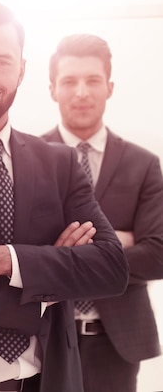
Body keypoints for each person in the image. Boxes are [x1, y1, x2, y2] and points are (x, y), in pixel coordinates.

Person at [0, 0, 130, 392]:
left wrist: (3, 259)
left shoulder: (60, 163)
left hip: (50, 381)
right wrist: (48, 288)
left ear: (21, 70)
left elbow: (111, 267)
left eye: (3, 61)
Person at [40, 33, 163, 392]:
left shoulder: (143, 165)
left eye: (93, 80)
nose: (81, 92)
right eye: (69, 81)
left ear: (109, 87)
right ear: (52, 89)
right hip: (46, 337)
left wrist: (69, 253)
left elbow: (158, 256)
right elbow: (23, 249)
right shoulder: (28, 159)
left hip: (118, 342)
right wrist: (116, 244)